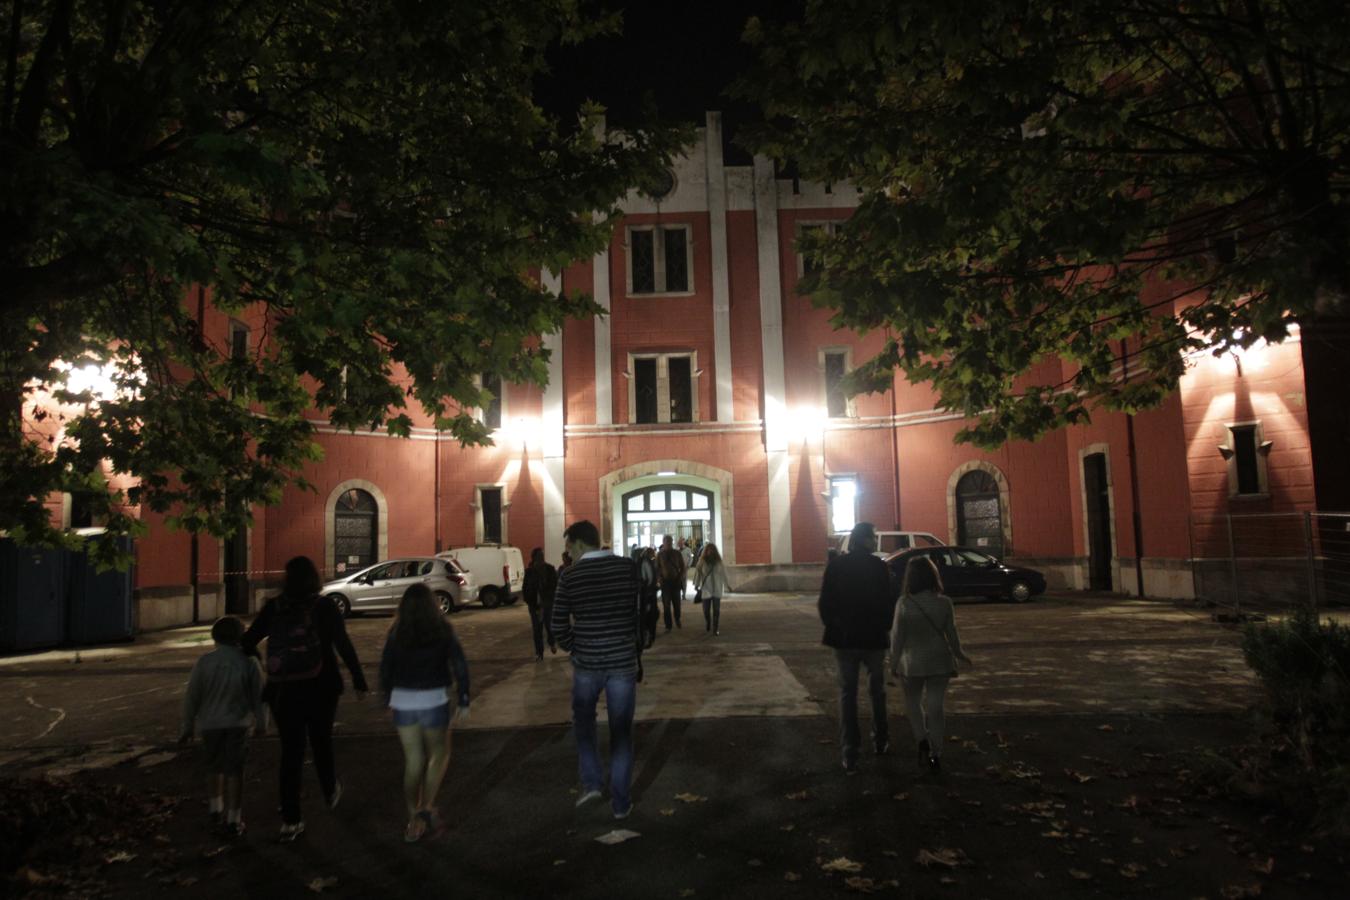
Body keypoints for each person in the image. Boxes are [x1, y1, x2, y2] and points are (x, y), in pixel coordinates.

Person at [241, 556, 369, 843]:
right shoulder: (324, 606)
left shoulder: (274, 607)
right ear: (314, 578)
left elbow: (248, 642)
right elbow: (343, 644)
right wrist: (359, 680)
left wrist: (261, 663)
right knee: (321, 741)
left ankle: (291, 819)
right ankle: (329, 790)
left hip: (284, 690)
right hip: (322, 685)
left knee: (291, 752)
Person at [550, 520, 643, 820]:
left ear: (578, 544)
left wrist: (576, 647)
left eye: (568, 547)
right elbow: (638, 612)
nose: (568, 554)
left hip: (587, 665)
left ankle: (591, 782)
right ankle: (620, 803)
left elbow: (558, 625)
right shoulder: (627, 568)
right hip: (622, 662)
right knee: (621, 730)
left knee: (584, 723)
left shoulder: (570, 576)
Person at [379, 583, 471, 842]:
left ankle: (412, 817)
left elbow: (386, 668)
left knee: (413, 760)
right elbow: (459, 664)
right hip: (434, 699)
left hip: (403, 701)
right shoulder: (442, 629)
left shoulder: (396, 632)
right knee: (439, 755)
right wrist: (464, 697)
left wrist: (388, 699)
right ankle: (426, 806)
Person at [818, 521, 897, 774]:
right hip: (873, 638)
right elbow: (889, 601)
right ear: (867, 540)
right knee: (877, 692)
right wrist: (884, 626)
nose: (874, 541)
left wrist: (834, 625)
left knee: (847, 695)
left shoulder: (837, 566)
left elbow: (825, 602)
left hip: (845, 639)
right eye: (873, 537)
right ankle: (880, 739)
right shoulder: (879, 567)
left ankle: (850, 752)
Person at [179, 615, 264, 838]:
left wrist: (187, 726)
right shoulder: (248, 662)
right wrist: (262, 723)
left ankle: (215, 807)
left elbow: (192, 697)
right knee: (235, 771)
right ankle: (234, 818)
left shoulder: (204, 662)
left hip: (209, 725)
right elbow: (258, 697)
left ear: (214, 637)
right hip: (237, 724)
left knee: (213, 766)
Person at [889, 555, 973, 775]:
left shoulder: (904, 603)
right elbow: (951, 633)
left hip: (911, 662)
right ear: (933, 575)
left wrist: (893, 661)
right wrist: (959, 653)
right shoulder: (944, 602)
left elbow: (897, 636)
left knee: (913, 702)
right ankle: (937, 752)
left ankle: (921, 739)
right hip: (939, 660)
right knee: (936, 707)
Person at [523, 547, 559, 660]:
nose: (541, 558)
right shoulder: (529, 572)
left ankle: (552, 643)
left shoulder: (550, 569)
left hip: (547, 604)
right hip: (534, 605)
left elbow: (555, 586)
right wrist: (529, 601)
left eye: (542, 555)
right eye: (539, 556)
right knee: (537, 630)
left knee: (549, 626)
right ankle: (539, 652)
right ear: (534, 558)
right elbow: (525, 588)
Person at [693, 542, 729, 635]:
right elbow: (698, 574)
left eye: (712, 550)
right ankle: (708, 621)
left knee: (716, 610)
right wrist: (696, 585)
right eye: (709, 550)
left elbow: (724, 574)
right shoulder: (702, 562)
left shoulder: (719, 562)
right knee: (706, 610)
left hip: (717, 588)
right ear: (706, 551)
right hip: (706, 589)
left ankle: (715, 628)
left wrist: (727, 585)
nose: (711, 551)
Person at [656, 534, 686, 632]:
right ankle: (668, 625)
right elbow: (656, 568)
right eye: (666, 542)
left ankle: (677, 619)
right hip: (665, 583)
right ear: (663, 543)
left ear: (672, 542)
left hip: (676, 582)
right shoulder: (660, 555)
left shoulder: (677, 554)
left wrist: (680, 577)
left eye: (669, 541)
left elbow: (682, 567)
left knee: (677, 604)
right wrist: (659, 578)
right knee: (666, 605)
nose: (668, 543)